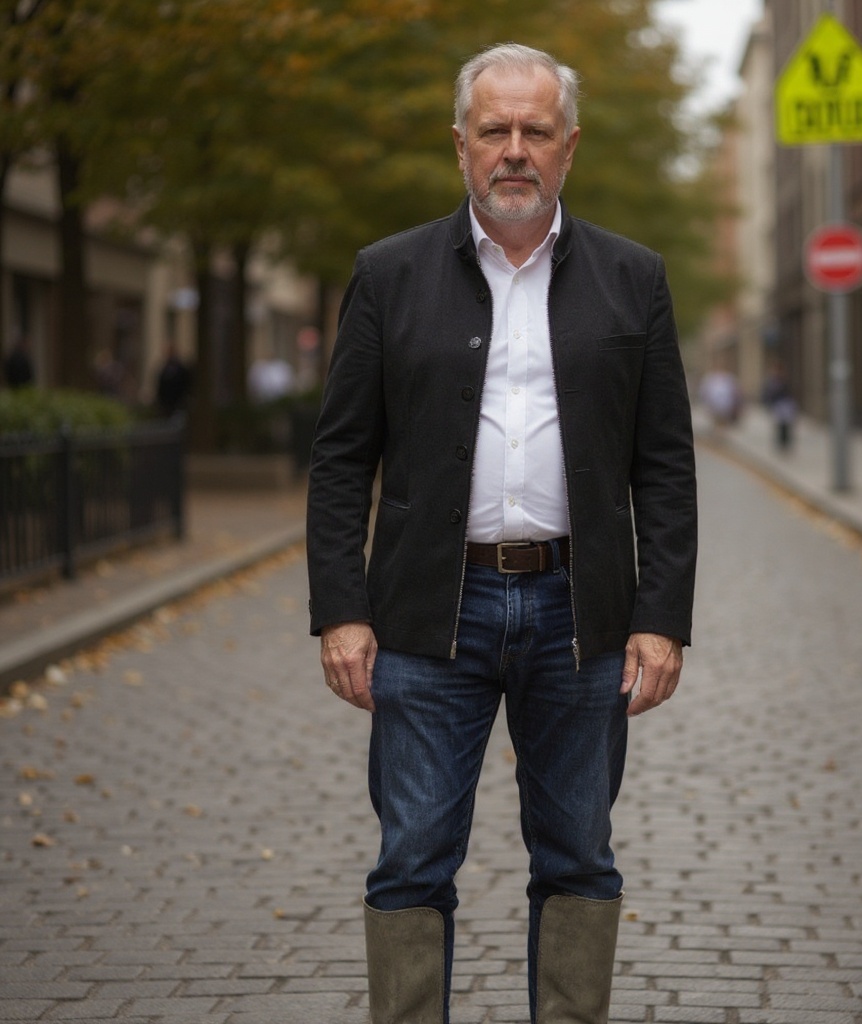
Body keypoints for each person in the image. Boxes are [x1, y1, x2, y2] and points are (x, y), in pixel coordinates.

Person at [306, 42, 697, 1024]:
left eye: (534, 131)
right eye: (494, 130)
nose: (513, 150)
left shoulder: (632, 279)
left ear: (568, 148)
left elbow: (664, 465)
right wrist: (341, 611)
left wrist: (661, 616)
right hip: (429, 615)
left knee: (577, 852)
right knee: (411, 857)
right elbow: (342, 457)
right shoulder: (388, 275)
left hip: (581, 613)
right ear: (460, 145)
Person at [154, 343, 192, 417]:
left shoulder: (181, 369)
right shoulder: (164, 369)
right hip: (166, 405)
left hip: (178, 404)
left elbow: (186, 384)